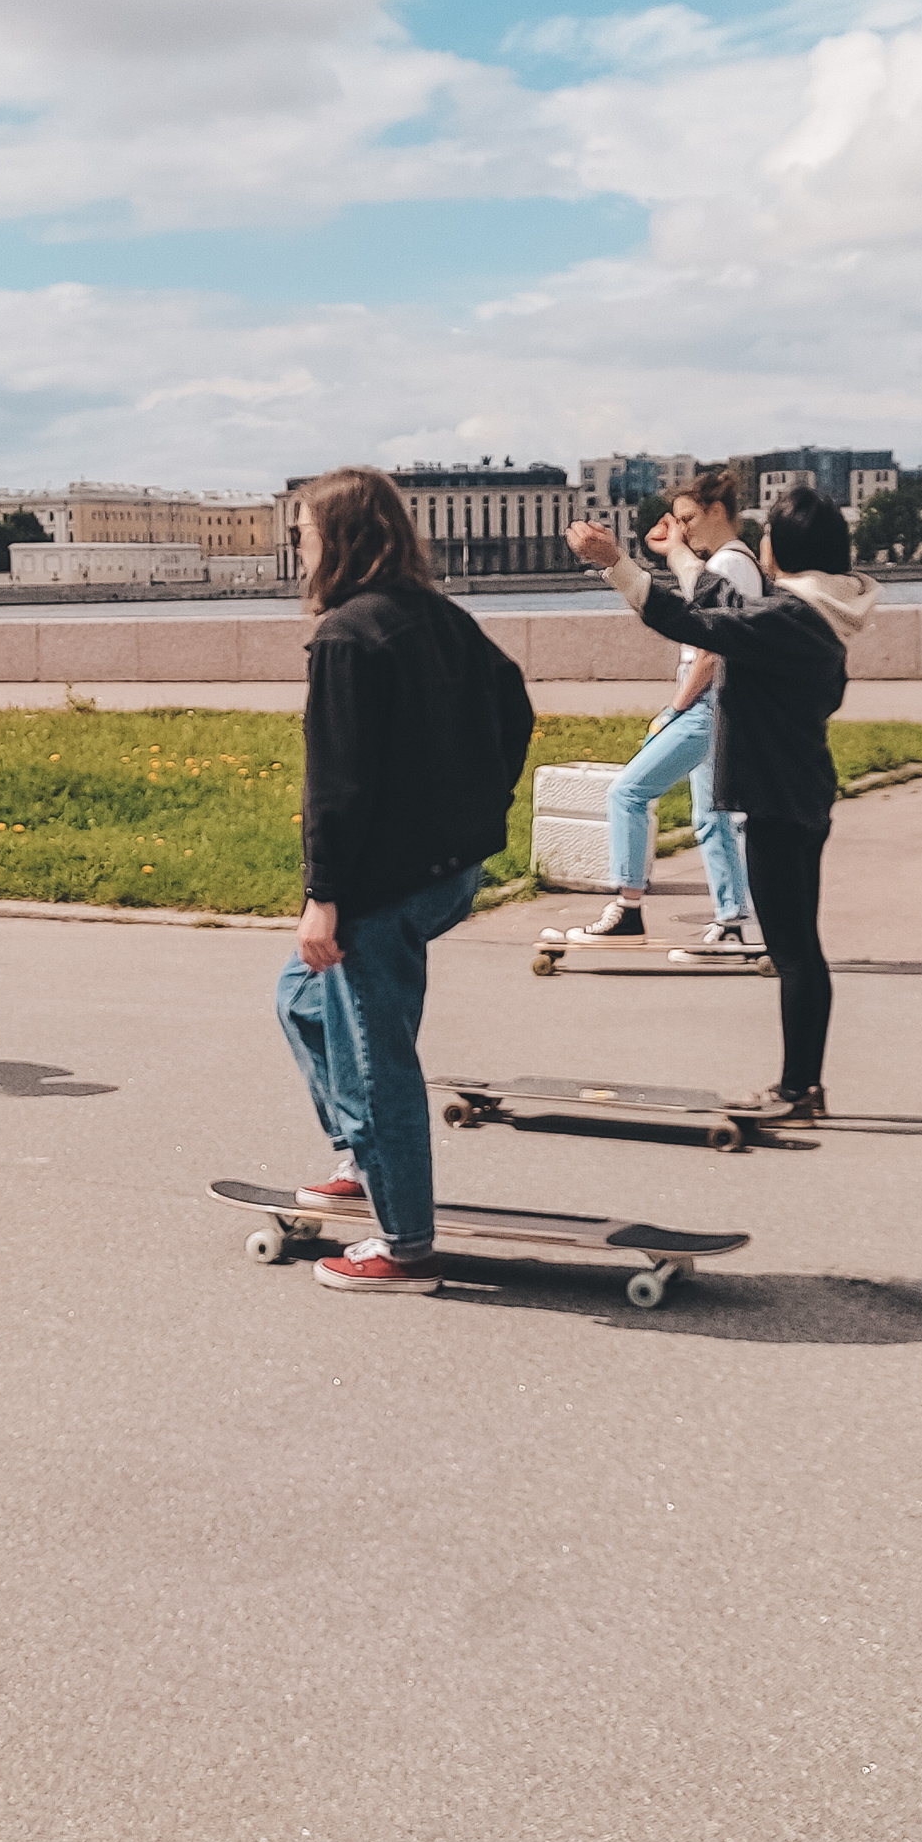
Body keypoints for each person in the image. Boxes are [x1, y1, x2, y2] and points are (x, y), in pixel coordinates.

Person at [279, 467, 534, 1294]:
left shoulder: (347, 637)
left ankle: (406, 1244)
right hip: (448, 870)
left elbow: (337, 784)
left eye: (305, 530)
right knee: (301, 999)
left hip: (383, 884)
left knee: (376, 1056)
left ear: (340, 539)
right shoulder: (441, 615)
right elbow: (516, 704)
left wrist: (324, 897)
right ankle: (362, 1159)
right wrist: (480, 805)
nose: (298, 543)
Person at [564, 483, 876, 1121]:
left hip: (778, 800)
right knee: (798, 947)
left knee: (793, 951)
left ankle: (798, 1090)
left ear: (785, 549)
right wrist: (678, 554)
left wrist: (614, 563)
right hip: (798, 793)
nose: (761, 545)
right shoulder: (814, 615)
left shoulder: (787, 621)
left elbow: (687, 619)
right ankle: (803, 1085)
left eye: (768, 537)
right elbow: (723, 603)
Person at [567, 467, 759, 948]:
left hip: (707, 706)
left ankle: (627, 908)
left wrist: (674, 709)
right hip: (723, 706)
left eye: (689, 518)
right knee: (712, 815)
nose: (683, 530)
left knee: (627, 793)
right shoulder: (732, 561)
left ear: (717, 512)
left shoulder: (728, 566)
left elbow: (712, 651)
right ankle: (733, 920)